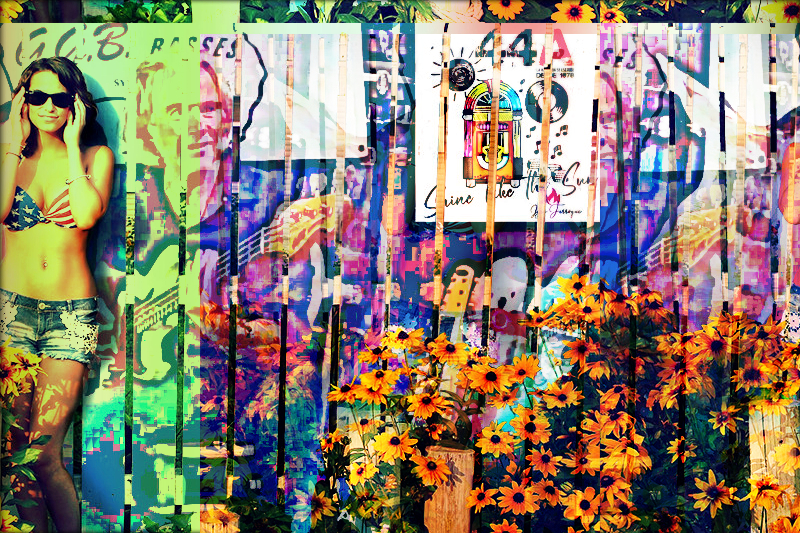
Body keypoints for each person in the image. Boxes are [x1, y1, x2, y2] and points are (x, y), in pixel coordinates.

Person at [0, 57, 113, 533]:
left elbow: (85, 215)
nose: (49, 106)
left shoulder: (94, 157)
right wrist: (13, 139)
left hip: (70, 317)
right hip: (11, 313)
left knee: (44, 453)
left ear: (76, 105)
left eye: (60, 98)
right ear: (23, 102)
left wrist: (70, 147)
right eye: (38, 96)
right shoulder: (11, 156)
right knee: (15, 455)